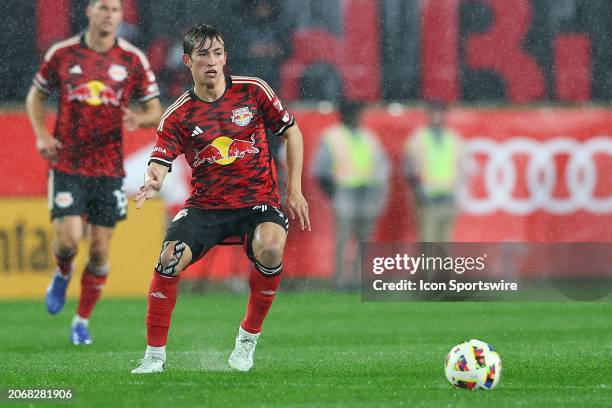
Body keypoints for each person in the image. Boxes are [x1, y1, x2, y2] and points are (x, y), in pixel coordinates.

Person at [130, 24, 310, 374]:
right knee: (168, 260)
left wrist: (295, 190)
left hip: (257, 203)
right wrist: (153, 180)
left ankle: (247, 339)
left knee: (271, 248)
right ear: (187, 61)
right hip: (206, 207)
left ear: (225, 58)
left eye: (217, 53)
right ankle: (154, 357)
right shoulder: (179, 114)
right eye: (202, 54)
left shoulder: (253, 91)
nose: (211, 61)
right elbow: (160, 159)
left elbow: (292, 132)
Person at [25, 0, 162, 345]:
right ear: (88, 12)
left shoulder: (132, 59)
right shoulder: (63, 53)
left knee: (100, 250)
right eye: (102, 7)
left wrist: (139, 118)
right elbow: (35, 97)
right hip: (68, 162)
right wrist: (42, 134)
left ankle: (81, 320)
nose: (108, 14)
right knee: (70, 239)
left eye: (114, 9)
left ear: (120, 16)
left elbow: (154, 111)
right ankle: (62, 272)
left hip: (108, 167)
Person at [312, 100, 389, 290]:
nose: (357, 117)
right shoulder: (333, 137)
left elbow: (381, 167)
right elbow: (321, 170)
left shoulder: (368, 137)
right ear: (345, 116)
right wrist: (333, 194)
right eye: (354, 113)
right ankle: (340, 281)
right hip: (345, 193)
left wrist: (378, 193)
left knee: (363, 240)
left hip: (367, 192)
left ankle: (357, 279)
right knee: (344, 239)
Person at [404, 102, 463, 242]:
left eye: (440, 113)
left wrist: (458, 192)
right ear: (428, 115)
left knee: (445, 242)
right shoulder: (418, 138)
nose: (437, 117)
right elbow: (409, 169)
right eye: (434, 113)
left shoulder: (453, 139)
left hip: (448, 196)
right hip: (427, 198)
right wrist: (418, 190)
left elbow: (462, 169)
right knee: (427, 242)